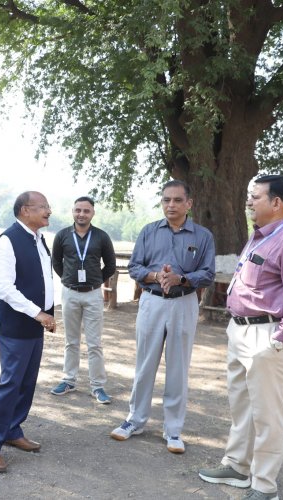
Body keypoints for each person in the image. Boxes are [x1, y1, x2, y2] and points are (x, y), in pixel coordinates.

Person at [198, 175, 283, 500]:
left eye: (255, 197)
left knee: (267, 414)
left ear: (276, 202)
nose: (249, 202)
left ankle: (264, 486)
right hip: (241, 331)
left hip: (267, 335)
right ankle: (238, 466)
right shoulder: (260, 236)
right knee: (242, 406)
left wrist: (277, 341)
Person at [110, 180, 215, 454]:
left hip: (184, 302)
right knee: (144, 364)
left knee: (178, 368)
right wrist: (157, 276)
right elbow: (134, 267)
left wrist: (181, 278)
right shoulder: (148, 232)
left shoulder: (203, 236)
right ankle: (135, 420)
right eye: (166, 200)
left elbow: (208, 273)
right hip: (152, 301)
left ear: (189, 203)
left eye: (178, 200)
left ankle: (173, 429)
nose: (171, 205)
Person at [0, 191, 56, 473]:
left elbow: (42, 278)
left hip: (36, 325)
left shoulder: (38, 239)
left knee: (27, 382)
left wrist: (48, 314)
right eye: (43, 207)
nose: (49, 211)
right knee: (11, 384)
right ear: (25, 210)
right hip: (16, 326)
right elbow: (5, 288)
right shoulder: (8, 240)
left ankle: (12, 429)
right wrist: (39, 313)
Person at [50, 196, 116, 403]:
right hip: (69, 292)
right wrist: (69, 279)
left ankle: (98, 386)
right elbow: (56, 263)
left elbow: (111, 265)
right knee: (71, 341)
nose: (81, 214)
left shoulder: (101, 237)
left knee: (94, 343)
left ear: (92, 213)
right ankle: (69, 380)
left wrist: (95, 281)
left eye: (86, 211)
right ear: (73, 211)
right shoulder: (62, 235)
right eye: (78, 210)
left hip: (93, 294)